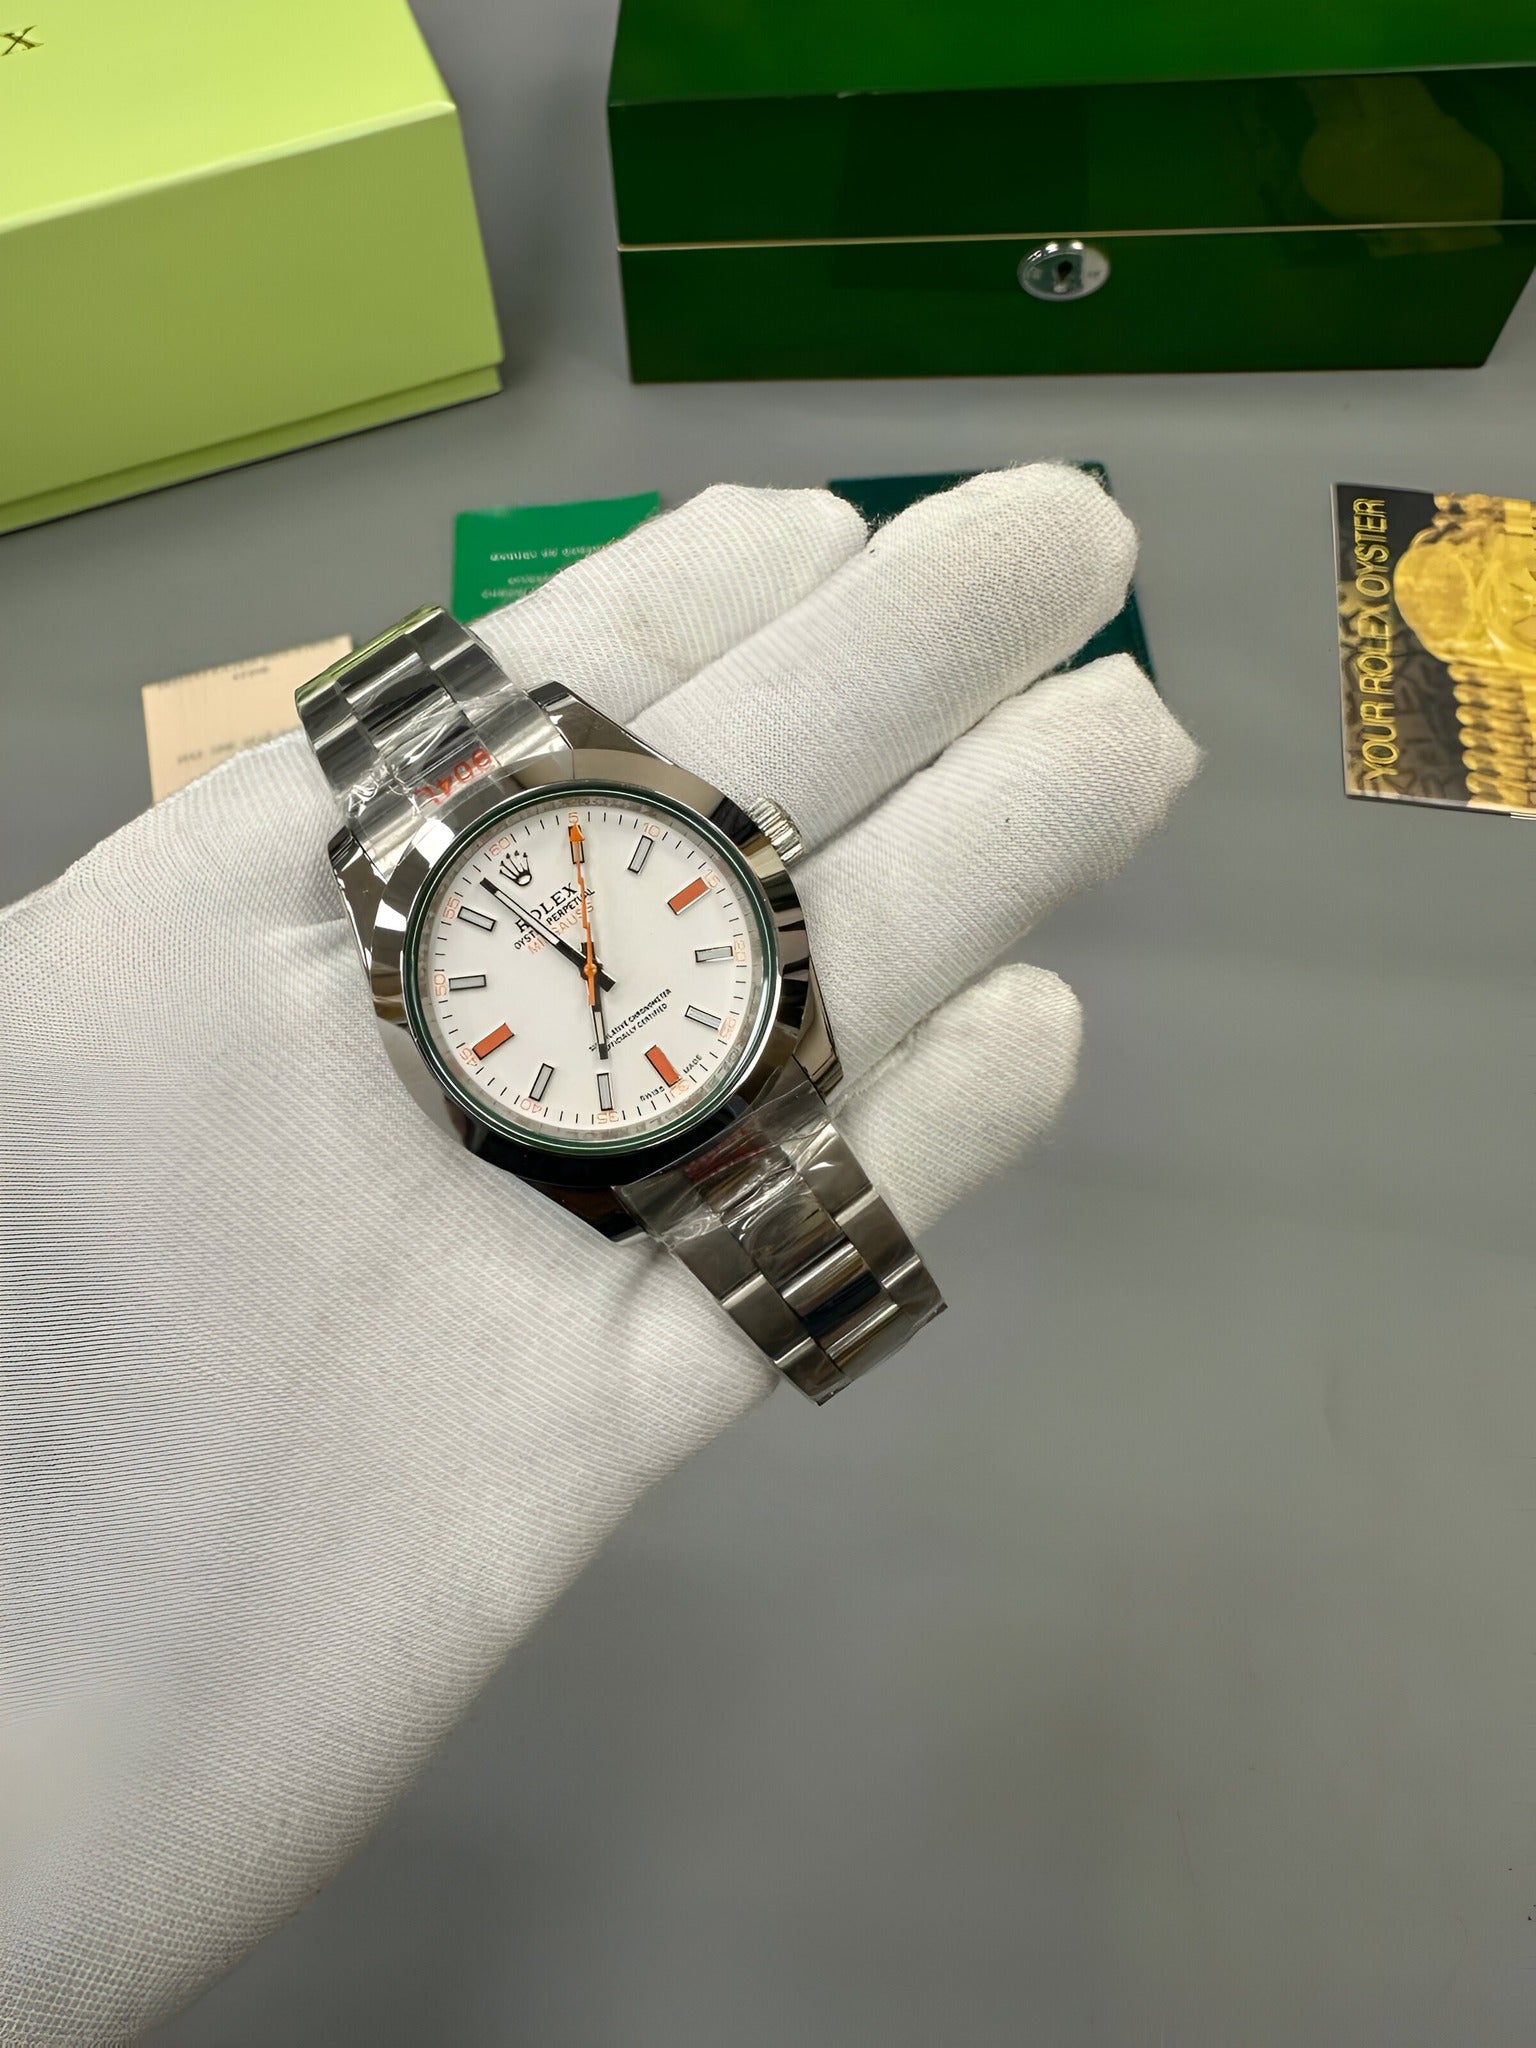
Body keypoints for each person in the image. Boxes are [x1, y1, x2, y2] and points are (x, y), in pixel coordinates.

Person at [0, 466, 1198, 2040]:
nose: (587, 968)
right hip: (579, 1091)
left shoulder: (716, 944)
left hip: (690, 1058)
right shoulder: (461, 1017)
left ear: (752, 864)